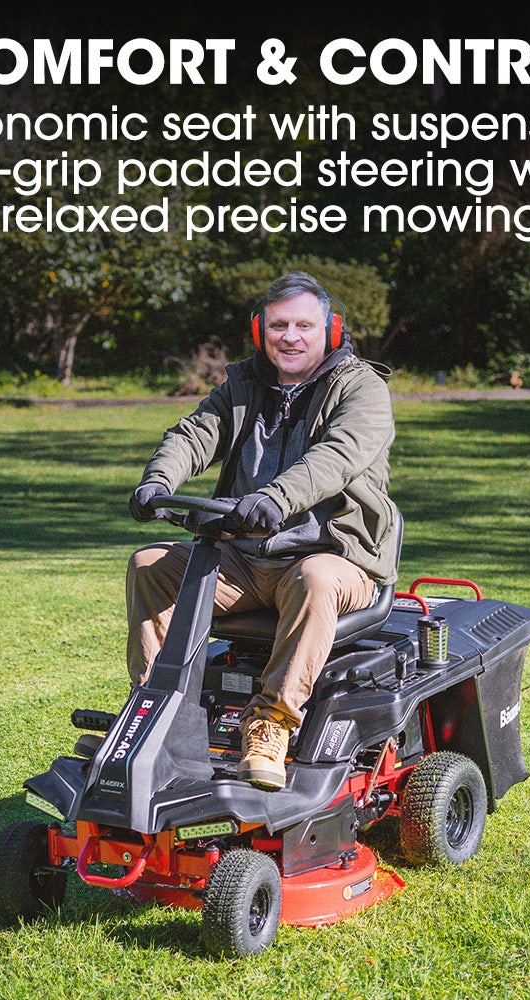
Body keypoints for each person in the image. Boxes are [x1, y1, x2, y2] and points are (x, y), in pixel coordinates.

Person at [126, 271, 399, 791]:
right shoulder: (243, 386)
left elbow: (335, 458)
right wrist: (158, 480)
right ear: (260, 331)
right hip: (247, 559)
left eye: (303, 325)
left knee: (315, 579)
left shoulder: (364, 389)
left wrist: (276, 499)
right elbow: (194, 434)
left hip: (335, 555)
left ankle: (271, 724)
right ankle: (154, 712)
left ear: (331, 330)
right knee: (150, 565)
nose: (290, 337)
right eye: (278, 325)